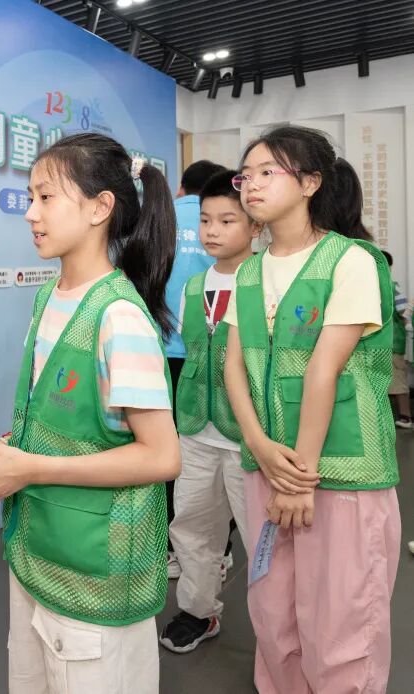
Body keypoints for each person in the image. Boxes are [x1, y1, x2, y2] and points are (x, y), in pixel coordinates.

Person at [0, 133, 181, 694]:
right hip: (38, 553)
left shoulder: (120, 318)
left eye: (46, 197)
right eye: (30, 197)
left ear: (101, 208)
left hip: (95, 573)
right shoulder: (48, 297)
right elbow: (64, 424)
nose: (30, 213)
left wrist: (30, 469)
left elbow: (161, 457)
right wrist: (10, 458)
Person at [223, 125, 400, 693]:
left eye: (266, 172)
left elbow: (324, 370)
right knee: (273, 614)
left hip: (337, 469)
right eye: (245, 176)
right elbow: (233, 366)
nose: (251, 185)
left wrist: (300, 477)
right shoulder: (248, 270)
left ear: (310, 183)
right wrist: (257, 446)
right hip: (268, 464)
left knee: (341, 625)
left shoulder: (351, 260)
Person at [159, 170, 261, 654]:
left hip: (250, 438)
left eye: (226, 220)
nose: (212, 231)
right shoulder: (194, 285)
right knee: (193, 526)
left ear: (255, 226)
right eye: (205, 220)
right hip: (196, 430)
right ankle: (198, 611)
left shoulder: (266, 281)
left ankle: (281, 631)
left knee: (264, 538)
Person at [163, 160, 228, 578]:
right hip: (213, 351)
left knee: (171, 450)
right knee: (220, 450)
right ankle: (220, 550)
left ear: (181, 186)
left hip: (160, 351)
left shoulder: (160, 214)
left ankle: (176, 550)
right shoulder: (225, 224)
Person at [381, 250, 412, 427]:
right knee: (386, 382)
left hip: (392, 344)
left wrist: (408, 323)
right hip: (381, 345)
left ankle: (405, 416)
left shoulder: (392, 288)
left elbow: (405, 313)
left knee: (398, 380)